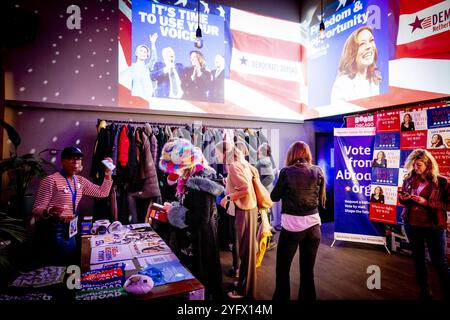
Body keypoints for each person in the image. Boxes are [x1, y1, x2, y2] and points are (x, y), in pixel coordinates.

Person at [155, 138, 224, 299]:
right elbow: (188, 204)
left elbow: (201, 218)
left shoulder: (201, 179)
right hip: (190, 238)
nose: (174, 172)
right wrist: (173, 206)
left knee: (200, 284)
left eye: (176, 168)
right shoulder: (188, 176)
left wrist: (173, 210)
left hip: (199, 242)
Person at [32, 147, 113, 265]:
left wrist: (108, 172)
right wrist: (50, 211)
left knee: (70, 263)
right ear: (62, 161)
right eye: (71, 159)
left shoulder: (79, 181)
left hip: (71, 228)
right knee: (56, 266)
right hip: (54, 229)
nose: (75, 162)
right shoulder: (50, 180)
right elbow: (36, 209)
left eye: (78, 159)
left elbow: (102, 193)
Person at [270, 141, 325, 300]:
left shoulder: (285, 172)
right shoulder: (318, 171)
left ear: (291, 154)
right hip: (314, 228)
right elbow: (320, 198)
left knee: (282, 270)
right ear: (307, 154)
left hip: (292, 228)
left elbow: (274, 196)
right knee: (308, 272)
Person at [398, 149, 450, 300]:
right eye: (414, 165)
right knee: (418, 259)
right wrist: (405, 198)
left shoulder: (442, 181)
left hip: (433, 226)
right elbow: (403, 200)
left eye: (419, 165)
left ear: (428, 164)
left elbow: (447, 204)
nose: (415, 168)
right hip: (411, 224)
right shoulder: (408, 179)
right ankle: (425, 292)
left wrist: (426, 202)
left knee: (439, 262)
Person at [216, 141, 259, 299]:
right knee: (246, 252)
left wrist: (227, 197)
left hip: (245, 210)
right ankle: (243, 285)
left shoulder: (234, 166)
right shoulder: (241, 162)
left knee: (245, 253)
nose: (216, 155)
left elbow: (246, 189)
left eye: (217, 152)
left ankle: (245, 291)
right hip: (249, 209)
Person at [330, 26, 381, 104]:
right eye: (362, 44)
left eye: (371, 40)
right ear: (351, 53)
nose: (369, 47)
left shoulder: (374, 81)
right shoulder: (342, 83)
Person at [255, 143, 277, 250]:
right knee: (265, 218)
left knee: (265, 219)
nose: (257, 152)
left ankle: (269, 242)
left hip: (264, 195)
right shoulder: (266, 160)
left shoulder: (263, 161)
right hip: (266, 194)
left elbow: (270, 177)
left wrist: (260, 187)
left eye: (259, 150)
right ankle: (269, 241)